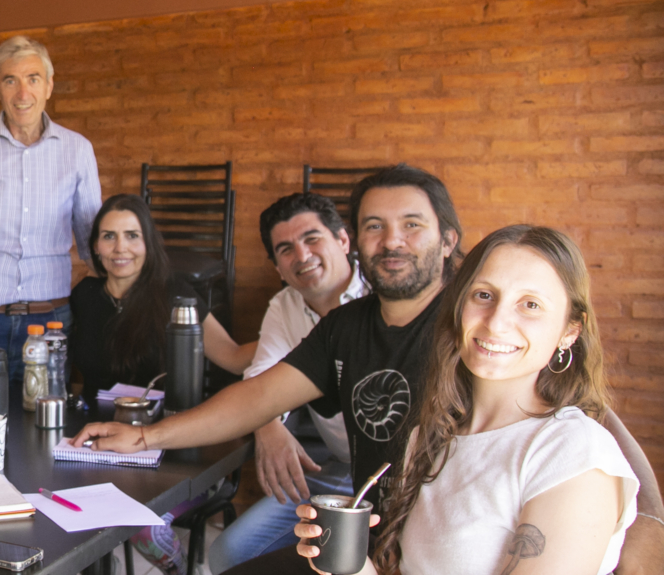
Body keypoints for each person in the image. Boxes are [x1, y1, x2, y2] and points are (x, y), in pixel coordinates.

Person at [71, 165, 662, 574]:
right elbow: (257, 397)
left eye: (412, 224)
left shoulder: (485, 344)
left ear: (448, 241)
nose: (392, 241)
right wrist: (145, 436)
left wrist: (649, 527)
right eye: (375, 226)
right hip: (373, 538)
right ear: (357, 240)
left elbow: (582, 431)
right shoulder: (357, 330)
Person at [294, 225, 638, 574]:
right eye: (484, 295)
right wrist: (347, 562)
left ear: (570, 331)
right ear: (458, 306)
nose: (496, 323)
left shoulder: (572, 451)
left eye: (530, 304)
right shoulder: (428, 437)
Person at [66, 193, 252, 574]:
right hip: (101, 446)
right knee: (67, 511)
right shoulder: (84, 296)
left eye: (132, 236)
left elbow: (233, 356)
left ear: (148, 243)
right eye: (109, 236)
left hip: (171, 447)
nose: (120, 248)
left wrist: (297, 341)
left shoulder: (175, 294)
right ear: (95, 246)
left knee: (140, 526)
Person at [207, 193, 367, 573]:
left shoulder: (382, 293)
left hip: (401, 474)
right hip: (343, 471)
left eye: (312, 239)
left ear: (343, 240)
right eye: (286, 249)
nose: (302, 255)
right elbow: (260, 378)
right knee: (228, 554)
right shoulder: (285, 306)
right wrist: (267, 425)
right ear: (278, 267)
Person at [0, 34, 103, 383]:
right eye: (10, 81)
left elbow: (93, 242)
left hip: (50, 323)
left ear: (49, 86)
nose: (23, 93)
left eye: (33, 79)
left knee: (44, 416)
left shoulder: (77, 151)